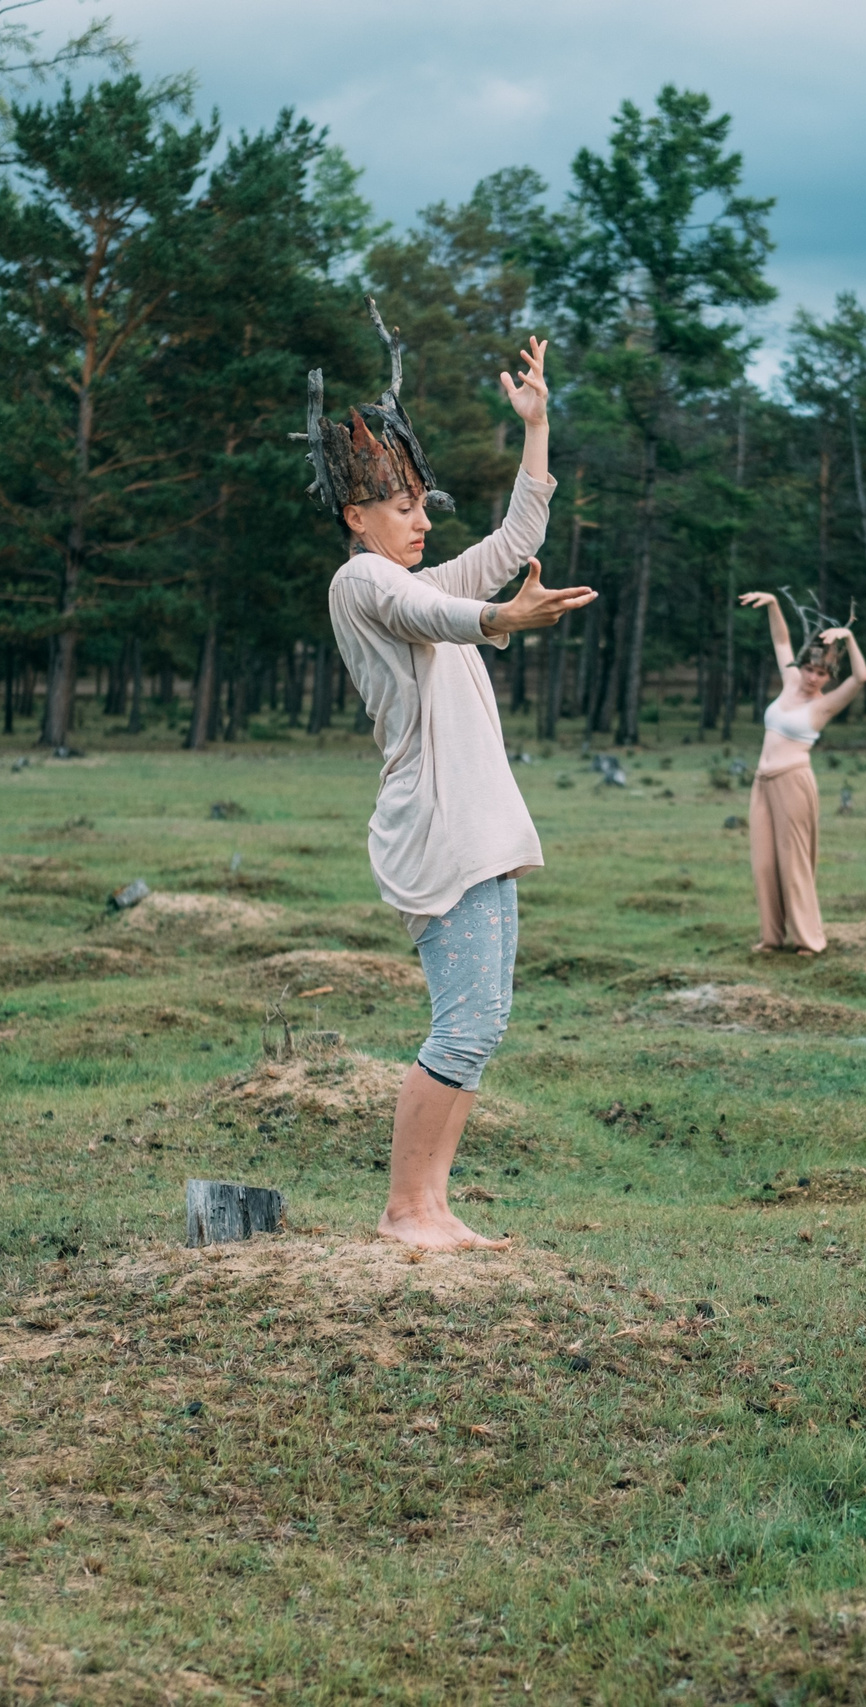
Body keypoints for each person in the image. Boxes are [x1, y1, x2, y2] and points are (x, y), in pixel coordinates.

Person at [308, 301, 595, 1250]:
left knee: (486, 1017)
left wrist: (538, 428)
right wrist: (507, 621)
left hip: (482, 824)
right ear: (358, 517)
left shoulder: (422, 581)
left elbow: (511, 546)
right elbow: (439, 617)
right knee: (464, 1019)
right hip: (436, 826)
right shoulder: (364, 584)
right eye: (403, 506)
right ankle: (403, 1211)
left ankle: (432, 1207)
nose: (422, 520)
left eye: (424, 504)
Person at [738, 589, 866, 954]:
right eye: (810, 669)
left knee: (794, 863)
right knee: (764, 863)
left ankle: (809, 940)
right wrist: (774, 604)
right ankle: (771, 937)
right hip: (761, 783)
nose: (814, 677)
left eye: (823, 673)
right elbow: (781, 639)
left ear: (829, 676)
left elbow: (861, 678)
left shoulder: (824, 706)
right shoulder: (790, 681)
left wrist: (850, 637)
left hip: (793, 782)